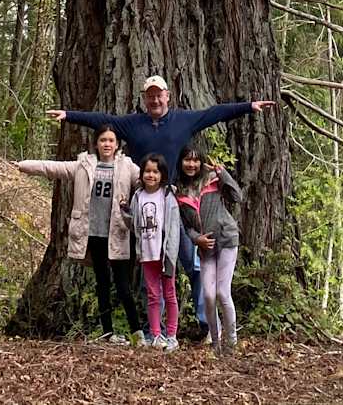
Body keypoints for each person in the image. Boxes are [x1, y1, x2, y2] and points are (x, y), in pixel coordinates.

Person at [46, 74, 275, 340]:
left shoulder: (183, 120)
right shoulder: (133, 124)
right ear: (145, 99)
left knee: (192, 262)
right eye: (150, 95)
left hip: (176, 203)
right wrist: (69, 114)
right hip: (143, 205)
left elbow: (215, 114)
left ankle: (206, 324)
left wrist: (248, 107)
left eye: (159, 94)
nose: (155, 99)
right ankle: (156, 330)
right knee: (149, 263)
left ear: (167, 96)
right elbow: (102, 120)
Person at [15, 125, 143, 344]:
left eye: (111, 140)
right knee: (102, 284)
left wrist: (167, 188)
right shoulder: (83, 166)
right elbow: (53, 168)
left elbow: (148, 180)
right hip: (93, 234)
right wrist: (23, 166)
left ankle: (136, 333)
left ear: (117, 144)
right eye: (103, 140)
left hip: (117, 233)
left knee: (123, 286)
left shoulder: (127, 167)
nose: (107, 144)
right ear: (96, 143)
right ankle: (108, 332)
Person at [175, 146, 242, 355]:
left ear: (201, 162)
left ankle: (231, 342)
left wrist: (223, 173)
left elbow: (236, 196)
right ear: (181, 163)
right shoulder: (179, 191)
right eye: (187, 160)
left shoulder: (213, 179)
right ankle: (215, 342)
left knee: (223, 292)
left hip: (227, 239)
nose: (191, 165)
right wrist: (197, 239)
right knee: (209, 296)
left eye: (195, 161)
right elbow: (187, 226)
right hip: (206, 248)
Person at [118, 153, 181, 350]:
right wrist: (125, 211)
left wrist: (171, 253)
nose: (151, 175)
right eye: (147, 171)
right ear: (142, 173)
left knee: (169, 294)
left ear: (162, 174)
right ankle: (156, 335)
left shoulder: (167, 196)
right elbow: (134, 224)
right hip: (146, 253)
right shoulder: (138, 196)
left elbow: (173, 228)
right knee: (153, 296)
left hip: (165, 254)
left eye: (155, 172)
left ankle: (171, 335)